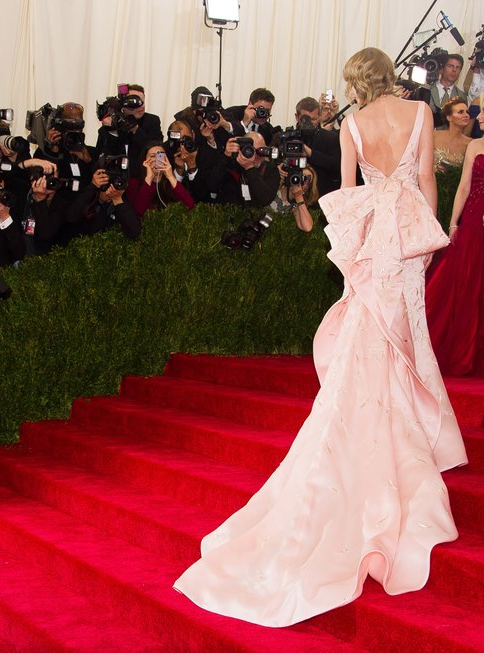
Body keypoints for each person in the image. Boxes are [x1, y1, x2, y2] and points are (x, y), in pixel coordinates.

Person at [174, 47, 467, 628]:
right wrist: (427, 243)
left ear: (357, 82)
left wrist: (356, 256)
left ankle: (375, 435)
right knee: (406, 336)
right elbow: (426, 182)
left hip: (372, 243)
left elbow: (349, 198)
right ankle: (405, 443)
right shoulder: (419, 113)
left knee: (370, 338)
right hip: (409, 240)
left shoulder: (353, 124)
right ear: (391, 75)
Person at [425, 107, 484, 376]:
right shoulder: (475, 146)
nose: (478, 117)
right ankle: (462, 349)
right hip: (472, 219)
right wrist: (453, 223)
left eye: (483, 112)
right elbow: (464, 187)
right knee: (466, 281)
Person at [125, 142, 195, 218]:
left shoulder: (172, 184)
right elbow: (138, 211)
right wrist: (149, 178)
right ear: (145, 161)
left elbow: (190, 206)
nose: (157, 159)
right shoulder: (134, 184)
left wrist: (170, 176)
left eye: (160, 155)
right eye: (152, 156)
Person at [433, 97, 472, 172]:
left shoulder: (470, 143)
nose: (466, 115)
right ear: (449, 117)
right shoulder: (434, 136)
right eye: (461, 112)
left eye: (467, 112)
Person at [429, 54, 468, 127]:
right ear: (441, 69)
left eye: (458, 67)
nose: (454, 70)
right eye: (450, 66)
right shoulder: (427, 89)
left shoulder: (462, 96)